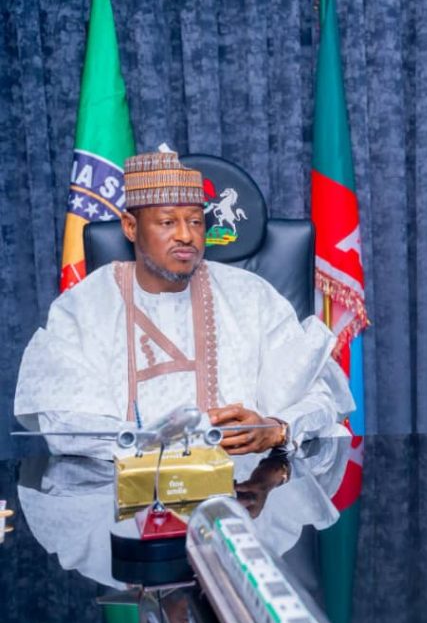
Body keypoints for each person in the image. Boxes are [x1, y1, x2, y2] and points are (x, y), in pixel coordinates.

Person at [15, 151, 352, 457]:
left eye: (195, 222)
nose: (186, 236)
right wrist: (170, 444)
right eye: (167, 222)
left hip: (243, 489)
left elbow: (322, 398)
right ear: (130, 227)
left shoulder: (252, 296)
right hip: (126, 495)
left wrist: (276, 428)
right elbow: (63, 423)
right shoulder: (86, 306)